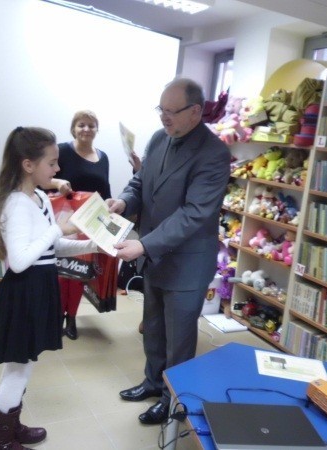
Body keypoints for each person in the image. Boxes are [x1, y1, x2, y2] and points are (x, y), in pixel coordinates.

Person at [108, 78, 230, 425]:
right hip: (155, 255)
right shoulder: (160, 138)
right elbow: (140, 182)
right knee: (154, 326)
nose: (164, 118)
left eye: (171, 112)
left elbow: (194, 213)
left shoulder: (214, 153)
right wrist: (123, 201)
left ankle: (172, 399)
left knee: (179, 339)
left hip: (186, 263)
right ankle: (151, 381)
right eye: (160, 110)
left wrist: (144, 244)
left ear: (195, 112)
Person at [0, 126, 98, 450]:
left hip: (39, 288)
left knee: (24, 366)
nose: (58, 169)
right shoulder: (16, 204)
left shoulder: (38, 197)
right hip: (24, 292)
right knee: (17, 370)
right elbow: (20, 260)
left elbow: (53, 247)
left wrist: (95, 244)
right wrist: (55, 231)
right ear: (28, 165)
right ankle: (1, 441)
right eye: (52, 162)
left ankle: (12, 426)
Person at [44, 110, 111, 340]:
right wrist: (57, 182)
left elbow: (106, 193)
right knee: (60, 273)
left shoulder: (103, 157)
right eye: (81, 125)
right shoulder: (61, 151)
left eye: (91, 125)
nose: (86, 129)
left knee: (79, 273)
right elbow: (42, 179)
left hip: (88, 222)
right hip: (62, 221)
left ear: (97, 130)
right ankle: (54, 318)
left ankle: (71, 318)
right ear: (73, 128)